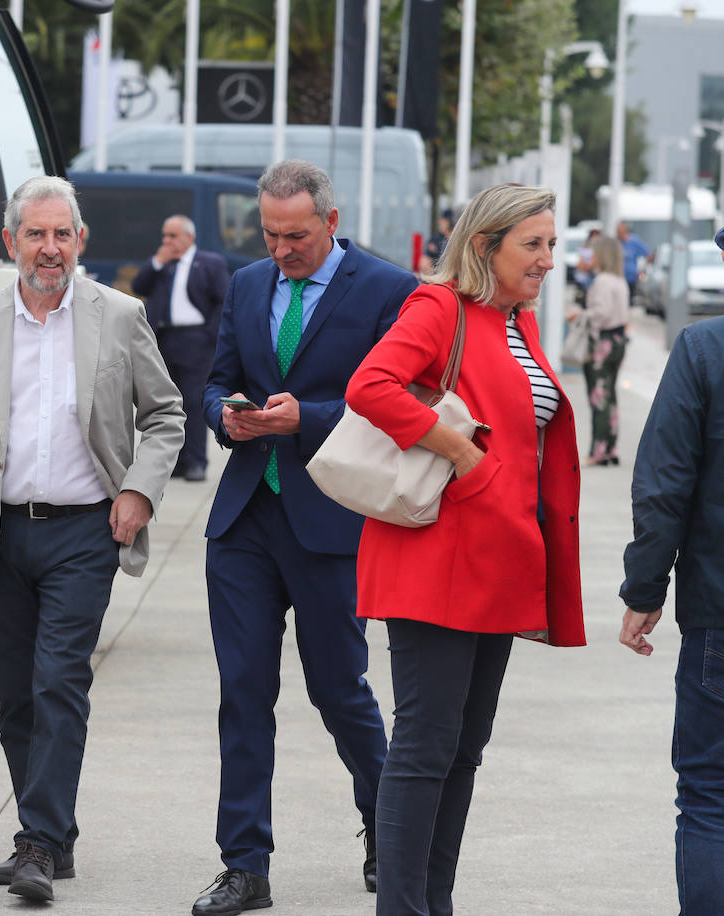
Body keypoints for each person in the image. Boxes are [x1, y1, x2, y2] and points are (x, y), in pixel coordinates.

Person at [0, 175, 184, 904]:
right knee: (15, 701)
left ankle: (34, 841)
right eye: (36, 234)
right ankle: (54, 839)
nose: (50, 247)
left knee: (59, 682)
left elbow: (165, 417)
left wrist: (138, 491)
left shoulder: (121, 316)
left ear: (80, 240)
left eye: (62, 234)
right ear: (11, 241)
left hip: (85, 534)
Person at [346, 183, 585, 915]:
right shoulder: (440, 306)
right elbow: (370, 385)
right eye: (533, 245)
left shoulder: (518, 321)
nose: (549, 259)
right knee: (425, 747)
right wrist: (462, 451)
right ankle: (404, 908)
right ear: (485, 245)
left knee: (462, 749)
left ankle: (430, 903)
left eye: (552, 244)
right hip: (439, 560)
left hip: (500, 561)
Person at [193, 159, 417, 916]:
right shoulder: (250, 283)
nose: (281, 249)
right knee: (244, 692)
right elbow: (217, 378)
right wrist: (225, 412)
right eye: (269, 234)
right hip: (246, 521)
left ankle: (388, 827)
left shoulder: (390, 291)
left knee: (338, 690)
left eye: (295, 236)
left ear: (330, 220)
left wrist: (307, 418)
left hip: (330, 522)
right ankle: (244, 865)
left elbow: (402, 405)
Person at [618, 225, 724, 916]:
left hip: (720, 615)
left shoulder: (705, 350)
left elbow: (663, 484)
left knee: (712, 796)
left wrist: (644, 590)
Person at [131, 215, 231, 482]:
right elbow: (138, 286)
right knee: (166, 404)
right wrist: (157, 262)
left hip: (196, 340)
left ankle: (197, 461)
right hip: (164, 339)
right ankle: (176, 463)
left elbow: (223, 301)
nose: (167, 241)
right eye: (165, 236)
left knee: (193, 402)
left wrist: (211, 336)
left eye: (173, 236)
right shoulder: (163, 265)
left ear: (189, 237)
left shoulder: (209, 263)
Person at [570, 234, 631, 466]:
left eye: (594, 252)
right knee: (610, 394)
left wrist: (580, 314)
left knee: (598, 395)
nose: (590, 257)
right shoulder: (619, 280)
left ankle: (599, 449)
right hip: (618, 340)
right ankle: (611, 446)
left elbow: (601, 313)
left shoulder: (602, 280)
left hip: (602, 341)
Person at [618, 220, 651, 302]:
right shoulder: (616, 242)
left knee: (628, 300)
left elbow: (649, 255)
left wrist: (643, 270)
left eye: (619, 231)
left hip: (631, 278)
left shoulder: (634, 241)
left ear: (625, 230)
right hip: (618, 277)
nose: (618, 233)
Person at [420, 208, 455, 274]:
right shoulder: (435, 240)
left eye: (449, 221)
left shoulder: (457, 240)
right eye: (445, 221)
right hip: (437, 277)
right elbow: (424, 263)